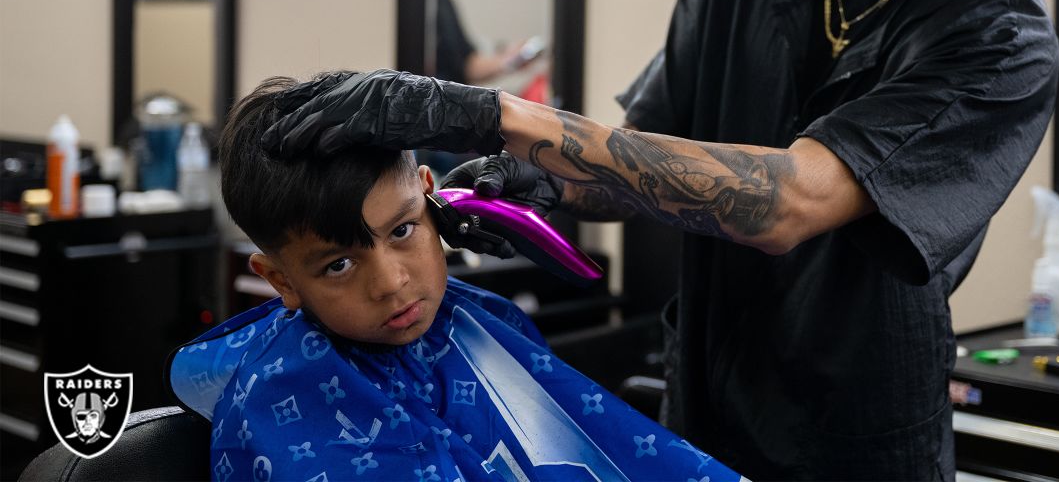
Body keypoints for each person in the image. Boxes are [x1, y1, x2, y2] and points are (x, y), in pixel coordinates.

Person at [261, 0, 1059, 478]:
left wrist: (484, 114)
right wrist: (542, 183)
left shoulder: (997, 33)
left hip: (856, 430)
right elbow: (645, 158)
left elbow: (788, 202)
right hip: (706, 400)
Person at [168, 73, 743, 481]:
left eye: (402, 230)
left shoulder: (483, 323)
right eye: (339, 263)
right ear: (280, 280)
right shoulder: (281, 398)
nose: (391, 282)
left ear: (429, 193)